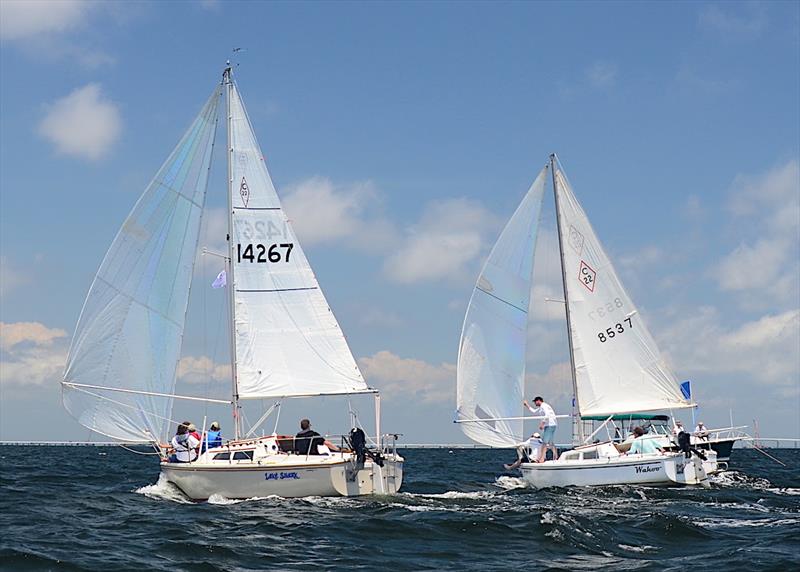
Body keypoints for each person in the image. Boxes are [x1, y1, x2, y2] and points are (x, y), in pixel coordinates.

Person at [523, 396, 558, 462]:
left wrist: (542, 423)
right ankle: (556, 457)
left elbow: (547, 415)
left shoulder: (543, 406)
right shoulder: (541, 407)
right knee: (550, 442)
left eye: (535, 402)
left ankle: (541, 459)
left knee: (544, 442)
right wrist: (526, 405)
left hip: (549, 425)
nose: (535, 404)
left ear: (538, 400)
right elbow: (534, 411)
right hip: (552, 424)